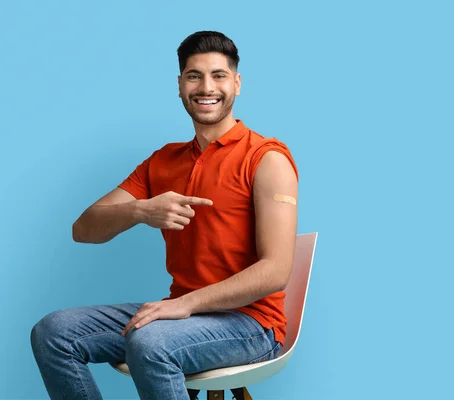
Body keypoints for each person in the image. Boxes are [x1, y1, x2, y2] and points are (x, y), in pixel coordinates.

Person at [31, 30, 299, 400]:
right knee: (54, 332)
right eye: (194, 76)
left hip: (250, 323)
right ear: (179, 86)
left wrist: (184, 304)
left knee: (150, 342)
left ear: (237, 83)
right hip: (180, 317)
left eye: (219, 75)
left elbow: (276, 270)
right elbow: (84, 229)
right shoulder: (163, 161)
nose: (207, 87)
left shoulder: (266, 158)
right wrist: (141, 210)